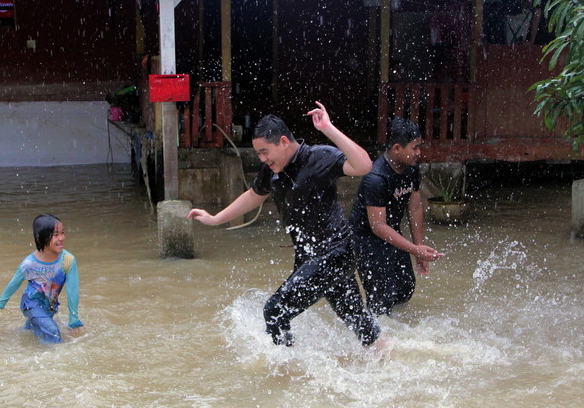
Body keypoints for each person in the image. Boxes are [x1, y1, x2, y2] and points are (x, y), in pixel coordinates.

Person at [187, 102, 382, 348]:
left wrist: (329, 129)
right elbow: (253, 196)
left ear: (283, 141)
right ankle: (391, 357)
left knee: (274, 311)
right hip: (311, 256)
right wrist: (215, 219)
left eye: (264, 151)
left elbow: (364, 165)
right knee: (358, 322)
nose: (262, 158)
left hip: (334, 253)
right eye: (258, 153)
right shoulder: (272, 169)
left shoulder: (319, 156)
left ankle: (284, 372)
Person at [347, 118, 444, 315]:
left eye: (420, 147)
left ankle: (397, 331)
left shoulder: (411, 168)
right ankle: (374, 336)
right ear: (397, 148)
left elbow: (415, 208)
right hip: (365, 239)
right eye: (415, 147)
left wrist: (418, 249)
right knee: (380, 299)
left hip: (392, 232)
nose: (419, 152)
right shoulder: (375, 178)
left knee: (405, 287)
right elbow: (377, 226)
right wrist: (414, 249)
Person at [0, 214, 83, 343]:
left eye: (62, 233)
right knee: (53, 333)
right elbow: (14, 283)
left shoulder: (68, 260)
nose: (61, 238)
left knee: (36, 328)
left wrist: (74, 319)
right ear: (41, 238)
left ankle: (16, 331)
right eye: (56, 235)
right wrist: (0, 304)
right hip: (31, 304)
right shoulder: (30, 263)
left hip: (49, 305)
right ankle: (52, 360)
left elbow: (73, 290)